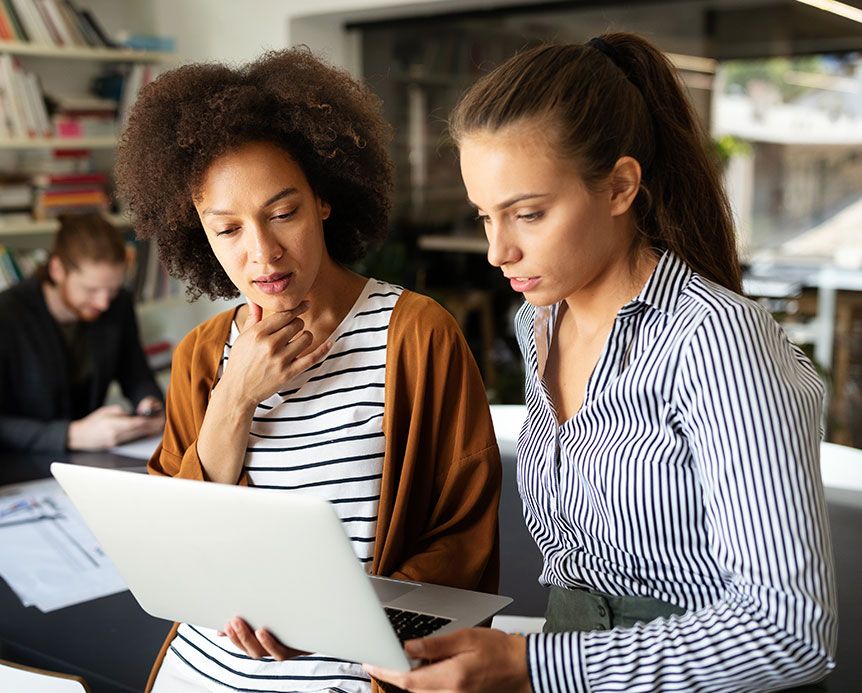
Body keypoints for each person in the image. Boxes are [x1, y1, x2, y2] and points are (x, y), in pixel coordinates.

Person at [367, 33, 837, 693]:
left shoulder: (716, 341)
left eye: (527, 214)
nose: (498, 250)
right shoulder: (538, 322)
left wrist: (530, 665)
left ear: (619, 186)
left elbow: (789, 631)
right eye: (484, 216)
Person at [114, 48, 501, 693]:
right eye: (227, 228)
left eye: (283, 212)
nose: (261, 252)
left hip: (350, 672)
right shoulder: (203, 355)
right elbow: (173, 551)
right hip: (202, 668)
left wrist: (329, 619)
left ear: (324, 198)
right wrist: (233, 402)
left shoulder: (416, 335)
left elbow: (463, 540)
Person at [0, 213, 164, 453]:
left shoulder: (118, 305)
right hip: (21, 462)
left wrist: (149, 404)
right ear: (57, 270)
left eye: (112, 290)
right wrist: (70, 435)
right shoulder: (7, 314)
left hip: (93, 456)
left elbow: (136, 374)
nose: (103, 303)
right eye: (91, 289)